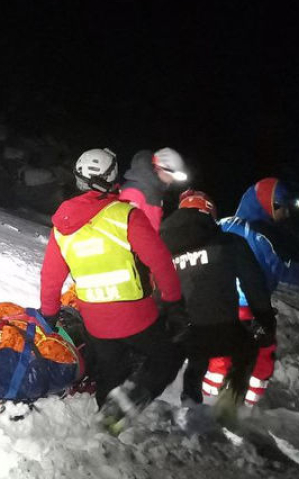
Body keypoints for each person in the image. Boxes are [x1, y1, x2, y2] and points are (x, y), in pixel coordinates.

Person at [38, 147, 187, 433]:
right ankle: (125, 406)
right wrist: (173, 302)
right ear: (112, 177)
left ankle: (105, 428)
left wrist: (49, 315)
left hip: (96, 322)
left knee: (110, 371)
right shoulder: (126, 216)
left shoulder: (62, 226)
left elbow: (51, 278)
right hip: (137, 317)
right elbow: (161, 263)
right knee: (168, 356)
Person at [159, 190, 276, 418]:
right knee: (249, 348)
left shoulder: (162, 247)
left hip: (175, 333)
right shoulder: (230, 242)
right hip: (220, 330)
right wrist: (266, 320)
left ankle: (190, 401)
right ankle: (230, 406)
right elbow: (254, 284)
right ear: (209, 214)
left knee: (197, 349)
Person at [206, 176, 297, 406]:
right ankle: (246, 406)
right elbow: (281, 272)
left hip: (218, 302)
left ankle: (205, 400)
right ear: (267, 204)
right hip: (248, 306)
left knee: (220, 354)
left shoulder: (224, 223)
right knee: (263, 352)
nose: (285, 213)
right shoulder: (264, 235)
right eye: (281, 207)